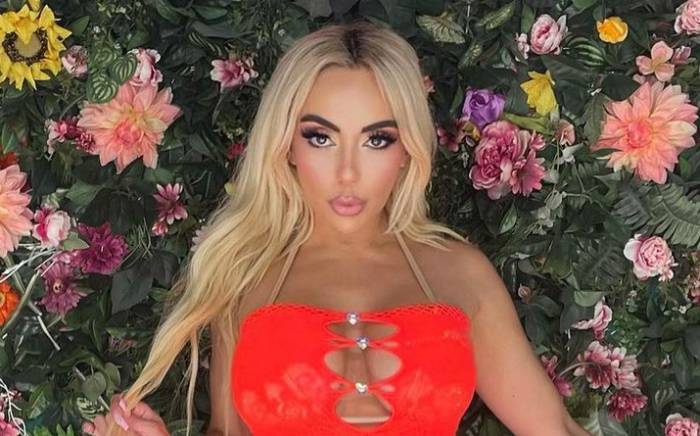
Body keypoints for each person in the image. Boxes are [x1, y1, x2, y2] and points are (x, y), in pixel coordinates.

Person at [82, 19, 591, 436]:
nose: (348, 172)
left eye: (377, 140)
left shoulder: (461, 274)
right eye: (321, 138)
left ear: (408, 148)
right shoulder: (244, 274)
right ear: (287, 143)